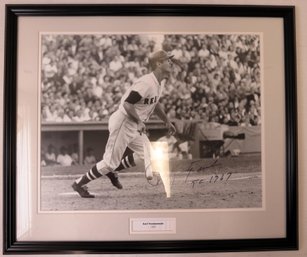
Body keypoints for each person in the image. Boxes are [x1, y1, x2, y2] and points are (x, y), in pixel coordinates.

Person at [72, 50, 177, 198]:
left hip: (133, 124)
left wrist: (166, 120)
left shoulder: (159, 82)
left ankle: (112, 170)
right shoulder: (147, 82)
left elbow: (155, 103)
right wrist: (139, 121)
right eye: (168, 60)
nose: (171, 62)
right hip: (124, 121)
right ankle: (79, 184)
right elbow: (128, 104)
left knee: (148, 155)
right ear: (159, 63)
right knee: (109, 162)